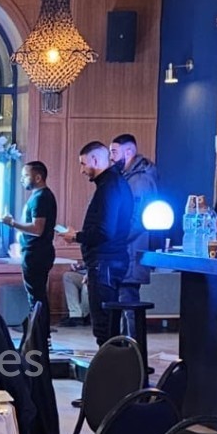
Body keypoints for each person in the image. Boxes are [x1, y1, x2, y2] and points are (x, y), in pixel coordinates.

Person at [58, 142, 137, 345]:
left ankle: (112, 364)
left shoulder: (109, 186)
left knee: (104, 327)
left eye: (83, 163)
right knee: (107, 325)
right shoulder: (114, 182)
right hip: (108, 262)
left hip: (105, 263)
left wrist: (76, 236)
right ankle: (114, 362)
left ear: (95, 160)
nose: (82, 170)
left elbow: (104, 232)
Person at [2, 161, 57, 320]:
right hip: (36, 252)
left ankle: (40, 332)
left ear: (38, 177)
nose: (22, 179)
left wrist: (13, 223)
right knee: (36, 296)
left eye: (25, 175)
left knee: (36, 298)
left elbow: (37, 229)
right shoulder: (39, 196)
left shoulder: (41, 198)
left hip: (36, 254)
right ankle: (39, 331)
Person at [111, 134, 158, 291]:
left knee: (127, 299)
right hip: (126, 251)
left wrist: (114, 240)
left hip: (131, 252)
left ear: (129, 152)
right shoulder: (128, 178)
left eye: (114, 152)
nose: (111, 158)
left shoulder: (140, 181)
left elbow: (138, 219)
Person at [60, 262, 90, 327]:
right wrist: (79, 267)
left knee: (86, 286)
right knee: (68, 276)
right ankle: (75, 315)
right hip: (84, 274)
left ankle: (85, 315)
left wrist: (90, 274)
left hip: (96, 274)